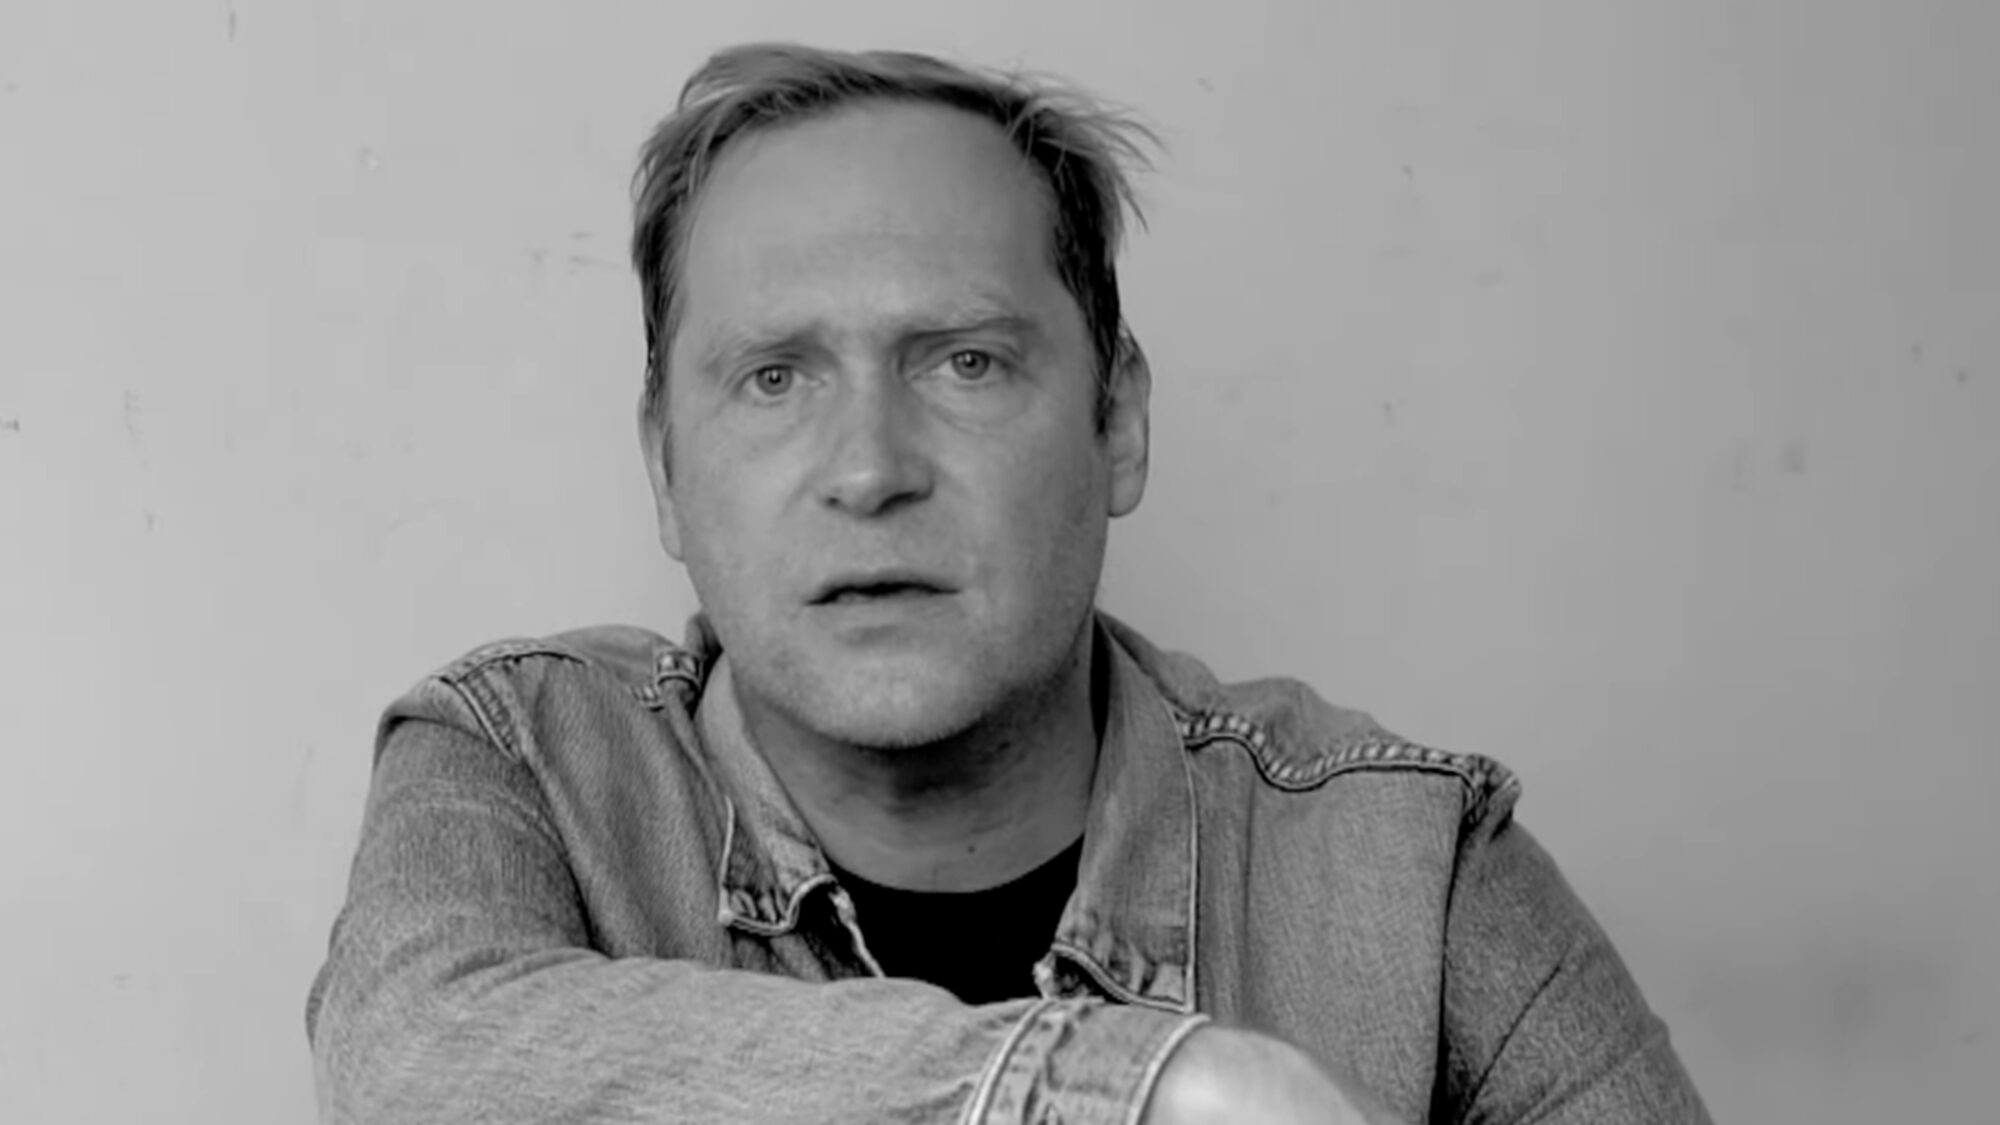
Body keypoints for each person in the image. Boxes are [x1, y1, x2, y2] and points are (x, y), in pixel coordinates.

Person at [305, 42, 1711, 1125]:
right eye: (775, 378)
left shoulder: (1405, 870)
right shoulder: (527, 763)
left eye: (965, 362)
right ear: (666, 471)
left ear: (1120, 425)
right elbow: (414, 1064)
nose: (871, 470)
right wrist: (1135, 1088)